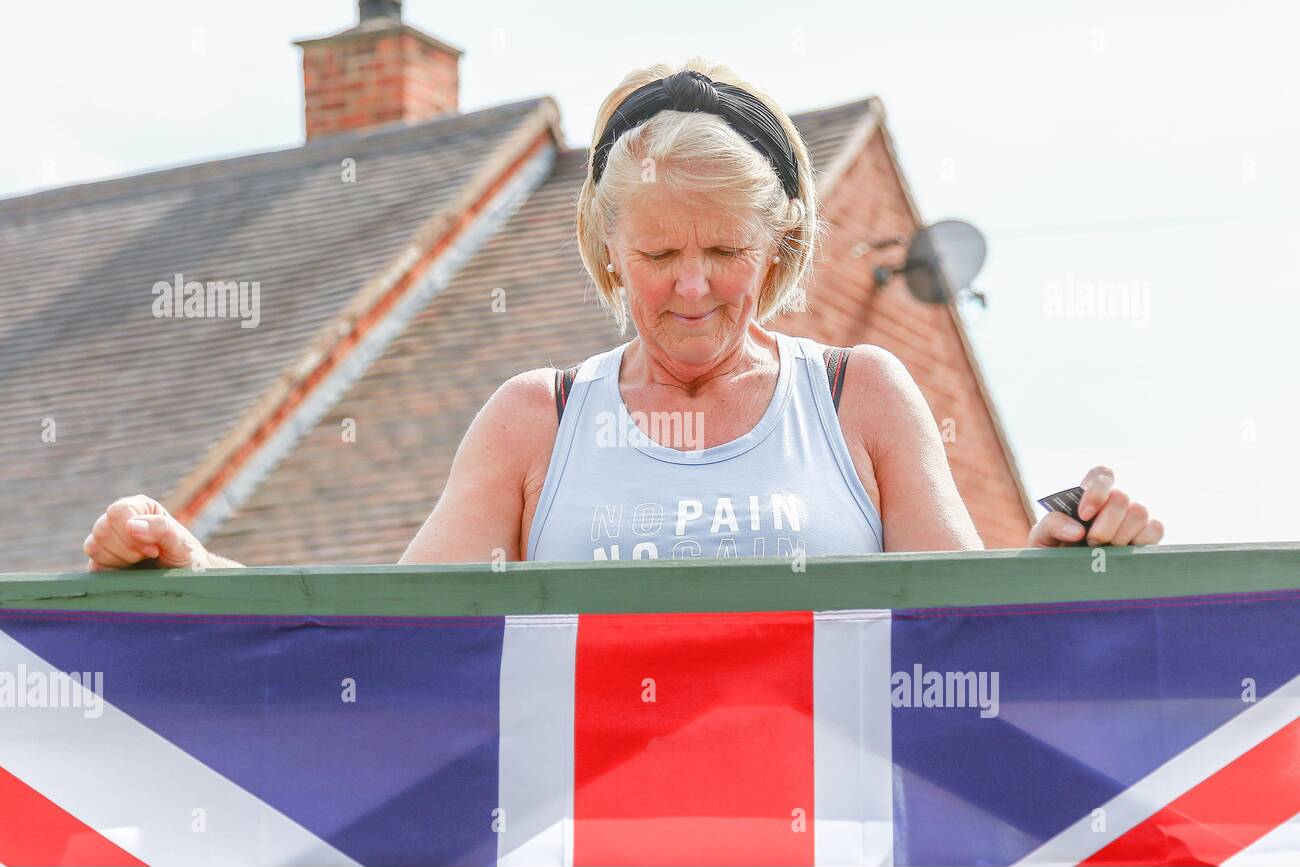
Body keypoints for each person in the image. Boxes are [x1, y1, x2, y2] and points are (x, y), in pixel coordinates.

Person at [83, 61, 1163, 573]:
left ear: (779, 249)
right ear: (605, 249)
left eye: (723, 253)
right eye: (656, 254)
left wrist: (1076, 550)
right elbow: (377, 637)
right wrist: (194, 569)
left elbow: (968, 633)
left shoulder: (863, 397)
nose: (691, 288)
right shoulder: (533, 422)